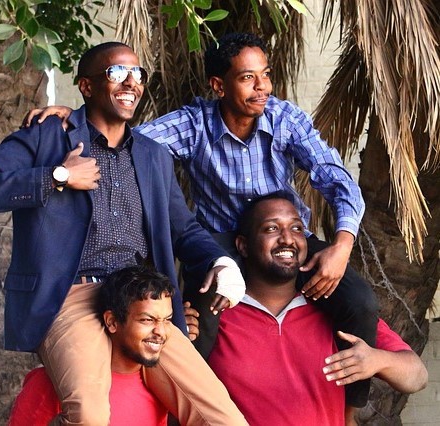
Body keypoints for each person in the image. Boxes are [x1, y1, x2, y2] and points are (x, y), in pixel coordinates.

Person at [23, 32, 378, 405]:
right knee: (199, 325)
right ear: (217, 85)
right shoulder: (194, 124)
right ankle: (190, 408)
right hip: (221, 242)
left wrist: (342, 244)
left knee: (361, 303)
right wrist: (77, 118)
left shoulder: (285, 118)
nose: (263, 88)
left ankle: (352, 408)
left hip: (285, 240)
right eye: (247, 78)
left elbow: (336, 177)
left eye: (266, 74)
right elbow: (123, 141)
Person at [0, 42, 247, 426]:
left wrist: (221, 261)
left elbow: (184, 227)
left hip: (142, 299)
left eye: (137, 74)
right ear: (86, 87)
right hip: (71, 294)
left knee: (222, 417)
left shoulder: (153, 155)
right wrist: (57, 176)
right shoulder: (47, 138)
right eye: (116, 73)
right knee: (89, 414)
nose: (131, 82)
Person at [207, 193, 428, 425]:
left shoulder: (336, 310)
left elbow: (418, 376)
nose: (288, 239)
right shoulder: (216, 314)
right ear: (243, 245)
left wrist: (377, 361)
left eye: (297, 229)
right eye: (271, 229)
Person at [9, 266, 199, 425]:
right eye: (147, 320)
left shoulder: (161, 386)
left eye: (167, 320)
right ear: (112, 322)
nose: (161, 332)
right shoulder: (51, 384)